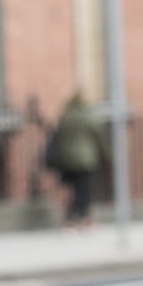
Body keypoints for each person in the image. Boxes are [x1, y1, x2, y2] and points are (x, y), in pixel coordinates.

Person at [53, 90, 105, 229]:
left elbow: (57, 136)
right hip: (84, 159)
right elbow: (98, 133)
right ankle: (82, 218)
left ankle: (72, 219)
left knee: (73, 190)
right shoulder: (86, 115)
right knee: (84, 190)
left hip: (66, 160)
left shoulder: (65, 116)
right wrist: (106, 152)